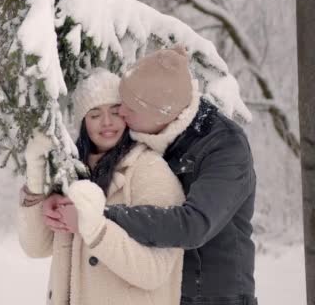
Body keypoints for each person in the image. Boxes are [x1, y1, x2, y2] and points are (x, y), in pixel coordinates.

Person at [100, 46, 258, 305]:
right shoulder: (150, 133)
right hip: (162, 290)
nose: (121, 113)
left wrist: (103, 216)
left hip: (214, 296)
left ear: (161, 112)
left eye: (130, 108)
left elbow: (194, 226)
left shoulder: (224, 146)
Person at [17, 68, 186, 305]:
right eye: (94, 114)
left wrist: (93, 226)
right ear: (83, 123)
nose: (107, 122)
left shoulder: (150, 170)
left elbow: (154, 270)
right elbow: (36, 248)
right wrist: (36, 182)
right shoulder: (74, 174)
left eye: (115, 112)